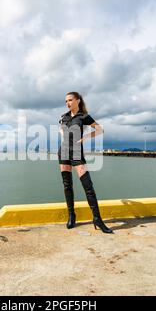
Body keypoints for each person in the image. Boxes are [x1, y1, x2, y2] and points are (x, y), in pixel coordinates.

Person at [58, 92, 113, 234]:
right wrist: (63, 135)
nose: (68, 103)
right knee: (67, 185)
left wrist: (86, 137)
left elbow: (100, 130)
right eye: (66, 101)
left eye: (70, 100)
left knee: (88, 186)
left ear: (78, 100)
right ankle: (71, 215)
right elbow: (61, 129)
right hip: (63, 152)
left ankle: (97, 219)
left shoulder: (83, 116)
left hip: (77, 152)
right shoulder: (63, 117)